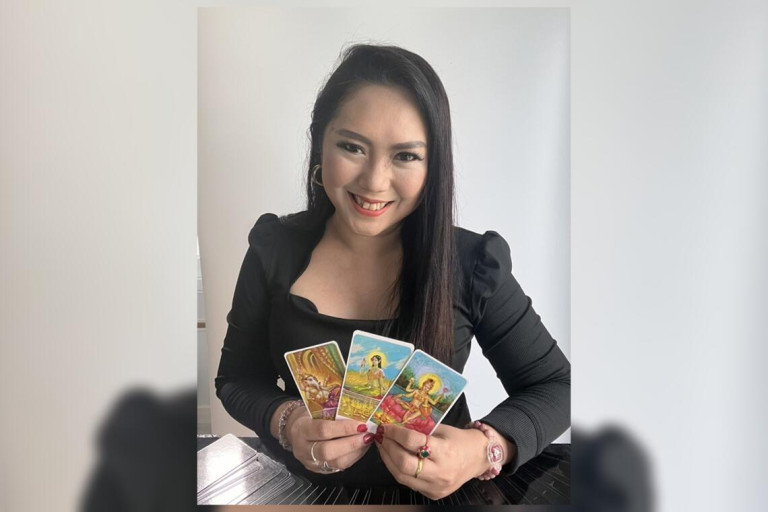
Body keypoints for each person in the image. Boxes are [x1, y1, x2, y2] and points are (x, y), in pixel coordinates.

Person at [215, 44, 570, 500]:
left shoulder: (472, 263)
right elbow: (236, 378)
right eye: (352, 147)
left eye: (405, 156)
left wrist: (484, 450)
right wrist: (287, 421)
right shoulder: (273, 248)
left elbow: (556, 386)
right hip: (299, 496)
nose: (374, 181)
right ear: (319, 142)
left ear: (433, 165)